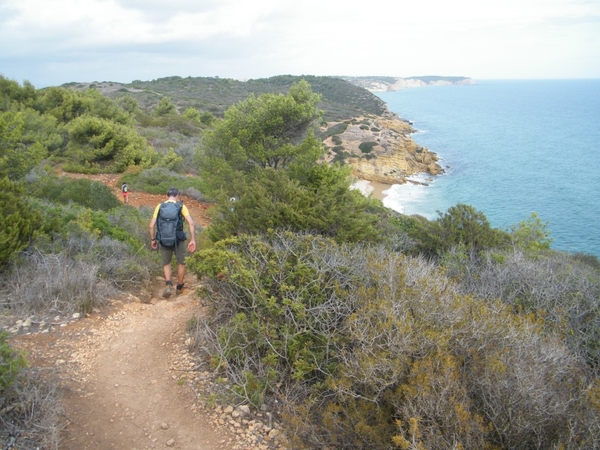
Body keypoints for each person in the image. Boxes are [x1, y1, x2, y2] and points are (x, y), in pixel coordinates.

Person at [149, 188, 196, 298]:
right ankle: (179, 288)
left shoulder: (160, 206)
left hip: (164, 239)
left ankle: (168, 285)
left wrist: (153, 240)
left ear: (166, 196)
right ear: (177, 196)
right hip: (179, 238)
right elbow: (191, 223)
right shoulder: (181, 206)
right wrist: (192, 239)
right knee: (181, 262)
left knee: (166, 262)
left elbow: (151, 225)